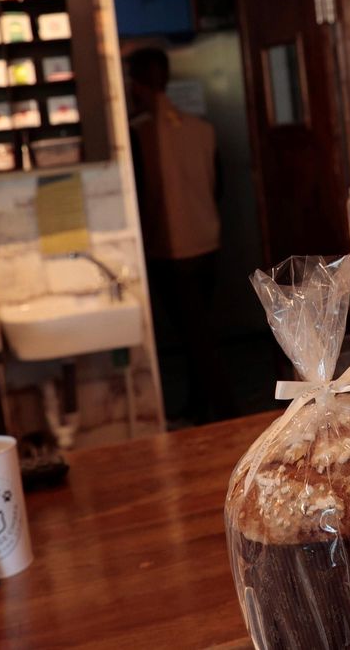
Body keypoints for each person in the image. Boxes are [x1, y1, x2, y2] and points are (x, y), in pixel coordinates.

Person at [124, 45, 233, 425]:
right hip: (208, 240)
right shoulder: (203, 129)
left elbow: (136, 198)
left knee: (195, 336)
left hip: (169, 248)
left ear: (135, 84)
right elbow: (217, 186)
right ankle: (201, 404)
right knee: (200, 330)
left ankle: (223, 411)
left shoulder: (137, 135)